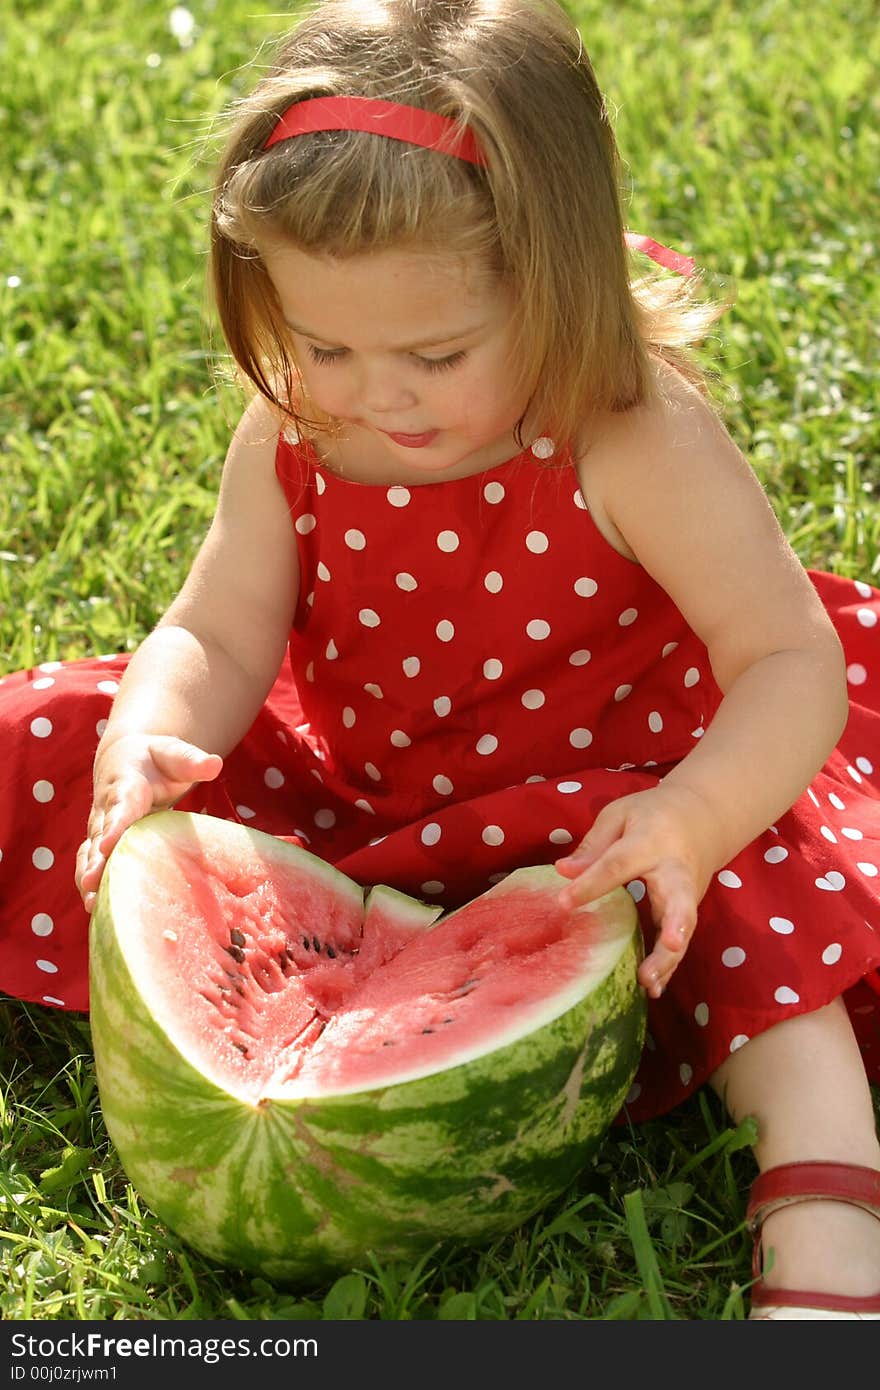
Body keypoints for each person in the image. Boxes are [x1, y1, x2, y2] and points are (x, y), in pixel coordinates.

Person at [1, 0, 878, 1319]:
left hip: (612, 807)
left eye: (435, 353)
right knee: (53, 727)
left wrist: (692, 815)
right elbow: (218, 630)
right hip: (362, 785)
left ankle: (828, 1232)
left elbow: (784, 661)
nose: (374, 397)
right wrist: (155, 727)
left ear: (561, 278)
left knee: (767, 934)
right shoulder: (295, 429)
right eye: (324, 342)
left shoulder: (630, 433)